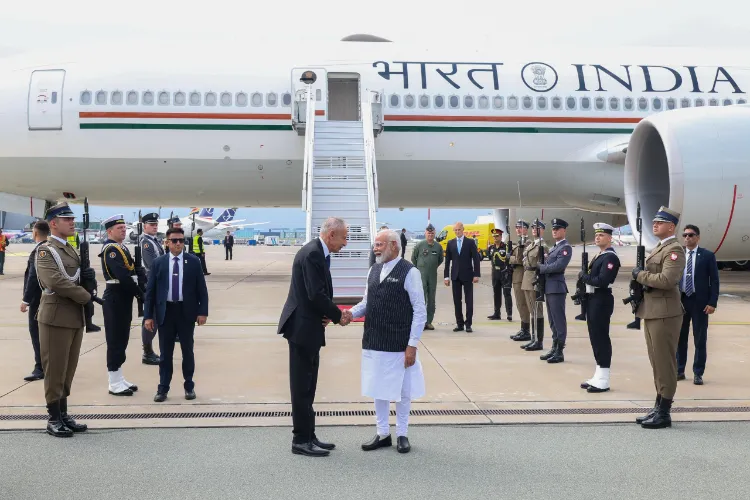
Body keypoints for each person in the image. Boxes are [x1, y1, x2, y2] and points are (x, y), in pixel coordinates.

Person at [350, 229, 426, 454]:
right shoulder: (373, 270)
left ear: (394, 245)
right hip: (375, 340)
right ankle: (382, 433)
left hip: (399, 343)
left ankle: (402, 433)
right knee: (378, 389)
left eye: (380, 244)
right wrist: (349, 315)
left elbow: (419, 310)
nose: (376, 248)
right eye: (375, 244)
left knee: (403, 391)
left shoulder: (409, 272)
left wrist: (412, 344)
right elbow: (366, 302)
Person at [277, 217, 348, 457]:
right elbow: (315, 294)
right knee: (302, 386)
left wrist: (328, 315)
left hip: (308, 327)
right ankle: (300, 439)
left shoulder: (318, 252)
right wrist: (338, 316)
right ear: (331, 235)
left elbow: (316, 294)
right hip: (302, 329)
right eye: (344, 237)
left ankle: (309, 433)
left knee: (309, 384)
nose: (346, 243)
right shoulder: (313, 254)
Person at [35, 202, 97, 437]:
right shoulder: (46, 250)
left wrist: (89, 281)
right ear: (53, 224)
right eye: (66, 219)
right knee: (55, 369)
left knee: (68, 369)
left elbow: (77, 276)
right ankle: (53, 418)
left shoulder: (70, 249)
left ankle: (63, 413)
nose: (72, 222)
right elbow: (55, 282)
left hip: (74, 317)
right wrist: (86, 296)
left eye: (72, 219)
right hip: (55, 318)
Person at [633, 206, 686, 429]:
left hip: (665, 313)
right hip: (652, 310)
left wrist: (640, 275)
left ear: (671, 226)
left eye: (660, 222)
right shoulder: (660, 247)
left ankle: (664, 412)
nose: (655, 224)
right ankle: (658, 405)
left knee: (665, 363)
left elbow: (667, 280)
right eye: (654, 221)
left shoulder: (675, 250)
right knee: (656, 362)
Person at [144, 226, 209, 402]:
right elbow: (150, 292)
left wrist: (202, 312)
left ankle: (189, 386)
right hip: (166, 313)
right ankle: (163, 388)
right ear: (167, 242)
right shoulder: (159, 263)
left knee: (187, 351)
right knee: (166, 354)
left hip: (186, 312)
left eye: (181, 240)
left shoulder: (193, 261)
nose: (178, 243)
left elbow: (201, 290)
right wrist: (148, 316)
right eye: (174, 240)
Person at [99, 214, 146, 396]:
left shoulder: (122, 247)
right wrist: (139, 293)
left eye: (124, 228)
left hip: (124, 297)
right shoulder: (110, 249)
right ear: (110, 231)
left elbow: (133, 270)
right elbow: (123, 276)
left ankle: (119, 377)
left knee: (123, 338)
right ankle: (113, 382)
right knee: (115, 340)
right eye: (119, 228)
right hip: (116, 296)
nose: (124, 230)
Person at [578, 223, 621, 393]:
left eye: (602, 235)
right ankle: (598, 374)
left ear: (610, 238)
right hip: (593, 298)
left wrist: (585, 277)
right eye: (596, 235)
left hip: (601, 299)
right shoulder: (599, 255)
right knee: (595, 337)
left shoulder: (610, 258)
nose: (597, 237)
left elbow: (603, 281)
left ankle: (604, 378)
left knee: (601, 337)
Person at [677, 224, 719, 385]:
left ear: (698, 237)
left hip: (699, 302)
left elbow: (714, 280)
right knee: (680, 338)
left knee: (700, 339)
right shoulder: (678, 254)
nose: (687, 238)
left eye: (691, 235)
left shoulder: (707, 256)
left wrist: (712, 302)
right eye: (685, 235)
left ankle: (698, 372)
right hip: (681, 301)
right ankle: (679, 370)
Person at [537, 218, 572, 363]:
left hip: (557, 288)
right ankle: (554, 347)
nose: (555, 231)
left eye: (558, 228)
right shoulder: (553, 248)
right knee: (552, 321)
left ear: (564, 230)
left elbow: (558, 266)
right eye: (553, 229)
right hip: (549, 288)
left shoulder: (565, 248)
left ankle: (560, 351)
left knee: (558, 320)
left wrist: (542, 268)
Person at [20, 220, 50, 382]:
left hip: (38, 299)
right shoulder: (53, 249)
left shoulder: (38, 251)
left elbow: (32, 277)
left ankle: (40, 367)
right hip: (52, 298)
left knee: (36, 332)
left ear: (35, 233)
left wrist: (26, 300)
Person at [443, 222, 481, 332]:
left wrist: (476, 274)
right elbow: (447, 261)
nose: (457, 232)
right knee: (456, 300)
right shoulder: (451, 243)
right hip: (455, 276)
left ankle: (468, 324)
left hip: (468, 275)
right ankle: (459, 323)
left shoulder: (470, 242)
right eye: (455, 230)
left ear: (463, 229)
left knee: (469, 300)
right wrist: (446, 277)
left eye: (459, 229)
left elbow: (476, 259)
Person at [139, 212, 164, 365]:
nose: (155, 227)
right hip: (151, 285)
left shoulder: (154, 241)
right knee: (150, 319)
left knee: (155, 318)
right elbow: (152, 265)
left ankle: (149, 351)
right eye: (151, 224)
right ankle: (147, 352)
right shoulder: (146, 243)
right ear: (144, 226)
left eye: (156, 224)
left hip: (157, 285)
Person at [521, 220, 548, 351]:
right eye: (532, 228)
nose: (534, 230)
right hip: (527, 279)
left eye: (537, 228)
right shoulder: (531, 244)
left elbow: (543, 264)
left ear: (542, 230)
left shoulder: (543, 246)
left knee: (537, 311)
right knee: (532, 310)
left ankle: (539, 341)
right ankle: (533, 338)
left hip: (534, 279)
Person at [411, 223, 444, 330]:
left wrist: (431, 267)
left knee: (431, 299)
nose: (430, 235)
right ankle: (420, 321)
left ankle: (428, 321)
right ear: (425, 233)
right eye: (428, 233)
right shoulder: (420, 245)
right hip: (421, 275)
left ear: (434, 234)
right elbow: (413, 258)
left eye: (432, 233)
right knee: (421, 299)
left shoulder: (438, 246)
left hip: (432, 275)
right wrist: (420, 268)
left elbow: (440, 260)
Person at [509, 220, 531, 341]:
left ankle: (526, 330)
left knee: (523, 304)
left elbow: (519, 259)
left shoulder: (527, 243)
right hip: (517, 276)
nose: (518, 230)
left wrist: (510, 258)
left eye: (520, 228)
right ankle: (523, 328)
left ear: (526, 229)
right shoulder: (519, 242)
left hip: (522, 276)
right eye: (517, 228)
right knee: (519, 304)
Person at [487, 228, 513, 321]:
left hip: (504, 273)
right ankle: (497, 313)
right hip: (495, 273)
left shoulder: (506, 247)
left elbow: (510, 260)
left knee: (507, 294)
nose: (495, 238)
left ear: (501, 236)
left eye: (497, 236)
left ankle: (509, 314)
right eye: (494, 236)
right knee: (496, 294)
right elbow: (490, 259)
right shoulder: (491, 248)